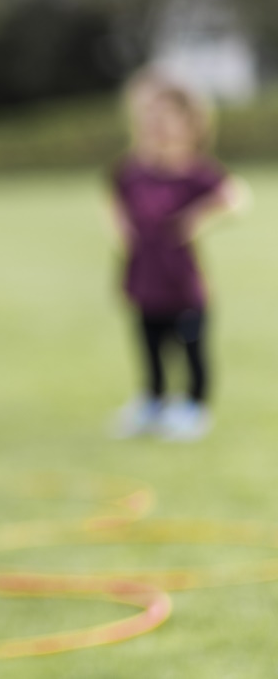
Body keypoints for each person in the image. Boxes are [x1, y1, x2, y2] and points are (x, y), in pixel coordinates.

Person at [109, 68, 248, 441]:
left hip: (182, 283)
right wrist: (121, 228)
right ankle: (152, 401)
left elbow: (236, 198)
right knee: (150, 346)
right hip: (143, 277)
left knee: (190, 349)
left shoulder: (196, 173)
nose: (159, 128)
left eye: (168, 120)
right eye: (151, 119)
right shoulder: (133, 171)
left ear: (190, 124)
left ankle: (192, 408)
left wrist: (197, 219)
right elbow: (115, 199)